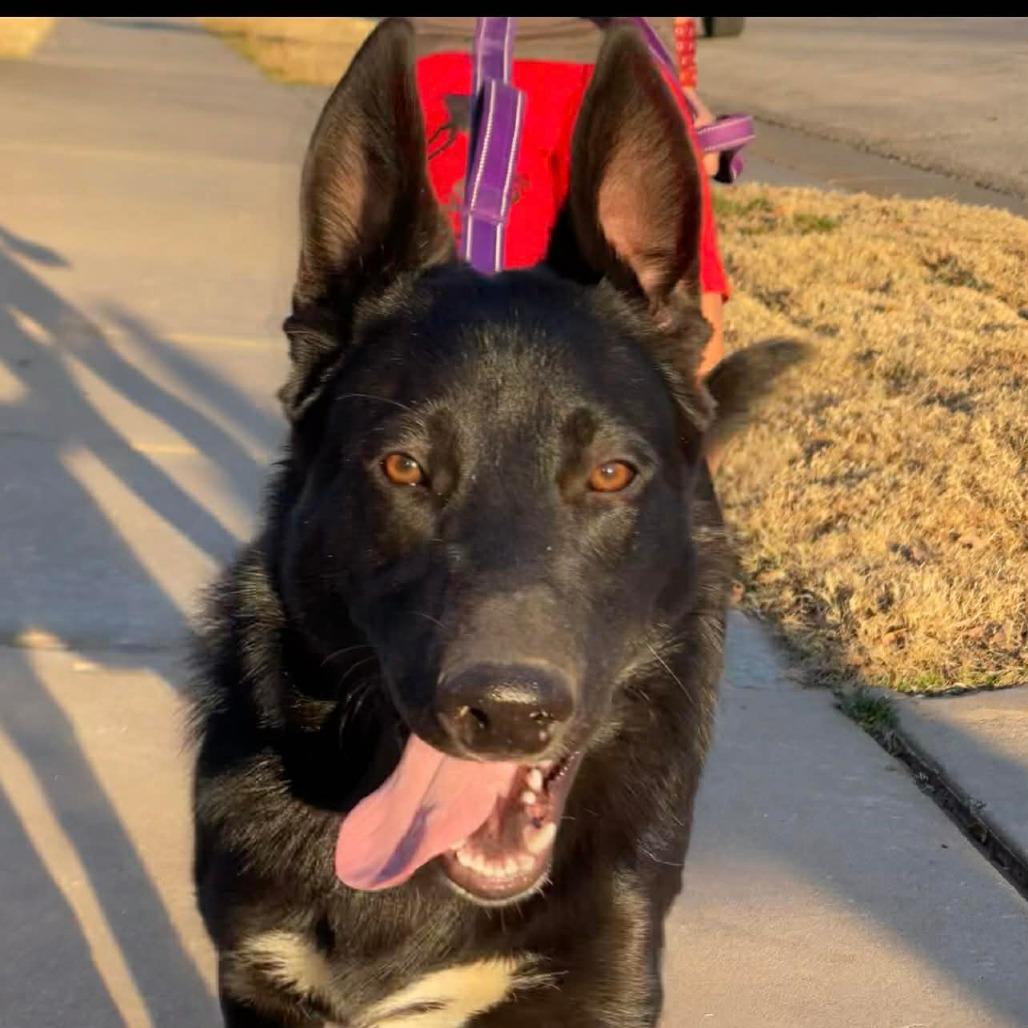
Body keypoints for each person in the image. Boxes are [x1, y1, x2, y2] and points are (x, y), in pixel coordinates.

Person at [411, 18, 729, 420]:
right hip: (462, 54)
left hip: (629, 56)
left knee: (682, 354)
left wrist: (681, 79)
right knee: (454, 347)